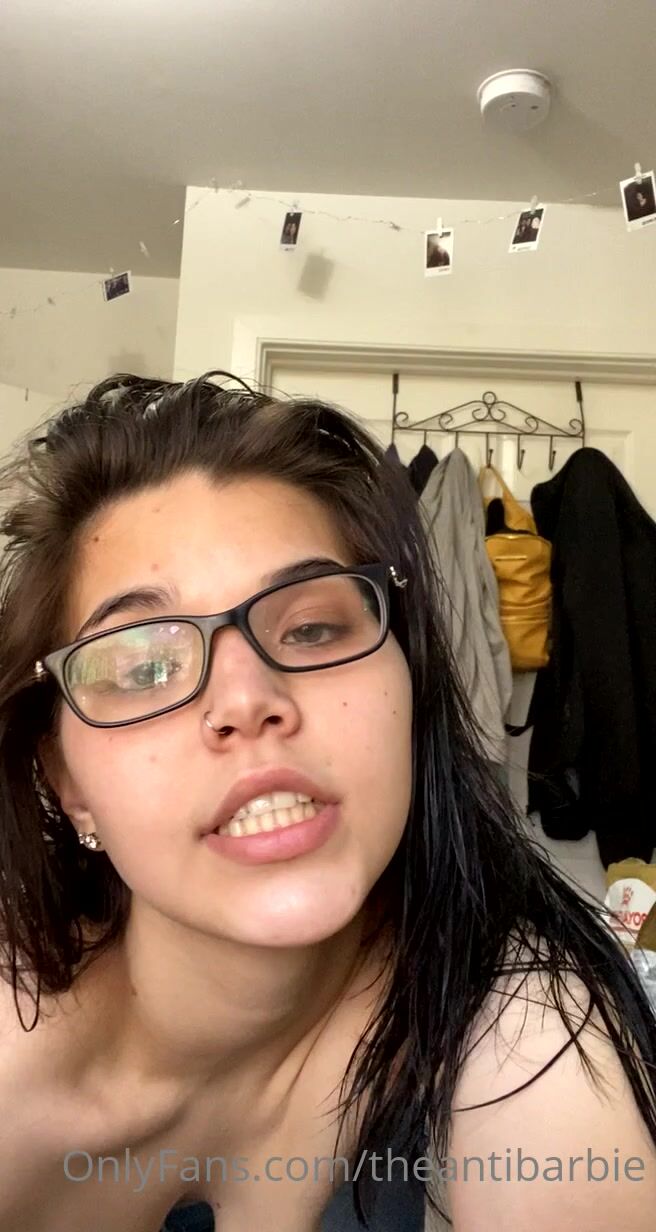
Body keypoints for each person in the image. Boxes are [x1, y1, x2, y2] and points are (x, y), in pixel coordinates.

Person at [0, 369, 654, 1232]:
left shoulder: (524, 1025)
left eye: (312, 629)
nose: (247, 699)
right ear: (68, 783)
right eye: (145, 665)